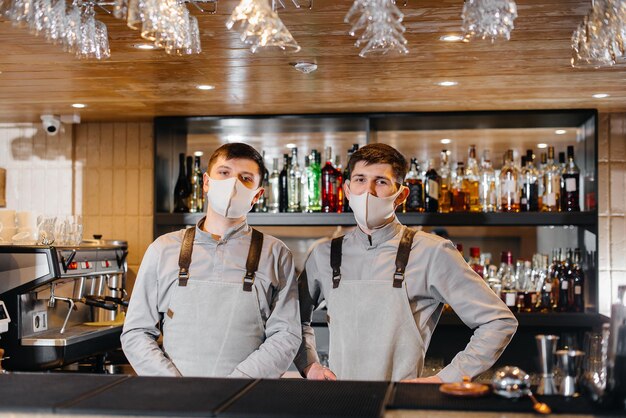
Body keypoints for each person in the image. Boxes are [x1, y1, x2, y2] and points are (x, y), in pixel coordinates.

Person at [294, 143, 518, 383]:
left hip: (400, 401)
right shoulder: (324, 254)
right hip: (341, 400)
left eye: (381, 181)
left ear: (400, 195)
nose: (368, 191)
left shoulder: (433, 252)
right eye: (360, 179)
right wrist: (310, 365)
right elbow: (292, 319)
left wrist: (445, 379)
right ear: (347, 190)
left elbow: (498, 321)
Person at [121, 143, 301, 378]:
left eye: (245, 178)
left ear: (257, 195)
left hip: (247, 400)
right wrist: (174, 386)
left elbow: (286, 335)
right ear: (206, 182)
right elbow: (136, 332)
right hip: (177, 404)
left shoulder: (276, 254)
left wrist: (239, 385)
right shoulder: (163, 249)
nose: (233, 184)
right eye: (224, 173)